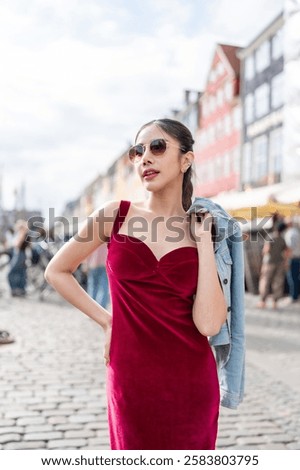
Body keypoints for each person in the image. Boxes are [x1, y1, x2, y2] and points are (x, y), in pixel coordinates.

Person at [45, 118, 245, 450]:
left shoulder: (205, 227)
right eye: (138, 151)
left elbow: (209, 323)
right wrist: (106, 320)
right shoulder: (115, 215)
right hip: (130, 376)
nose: (144, 158)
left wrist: (204, 244)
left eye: (157, 147)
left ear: (186, 160)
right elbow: (57, 271)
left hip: (190, 382)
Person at [257, 222, 289, 309]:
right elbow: (286, 252)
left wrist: (262, 256)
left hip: (269, 262)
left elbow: (266, 250)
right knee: (278, 282)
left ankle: (263, 301)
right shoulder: (282, 239)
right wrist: (285, 262)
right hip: (279, 262)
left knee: (265, 281)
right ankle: (275, 302)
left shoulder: (270, 237)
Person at [7, 220, 30, 297]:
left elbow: (17, 244)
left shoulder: (23, 233)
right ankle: (21, 290)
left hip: (19, 254)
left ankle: (14, 289)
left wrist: (13, 243)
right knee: (21, 273)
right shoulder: (27, 234)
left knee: (11, 272)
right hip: (24, 255)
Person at [85, 244, 109, 308]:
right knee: (104, 287)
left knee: (93, 286)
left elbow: (88, 253)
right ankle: (102, 308)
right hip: (105, 264)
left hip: (93, 264)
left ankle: (92, 308)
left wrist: (86, 265)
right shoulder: (108, 238)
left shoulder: (93, 239)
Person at [284, 218, 300, 302]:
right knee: (296, 277)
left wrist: (286, 259)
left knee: (292, 278)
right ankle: (295, 295)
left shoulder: (290, 234)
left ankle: (293, 296)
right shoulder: (296, 232)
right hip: (297, 257)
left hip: (292, 258)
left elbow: (289, 248)